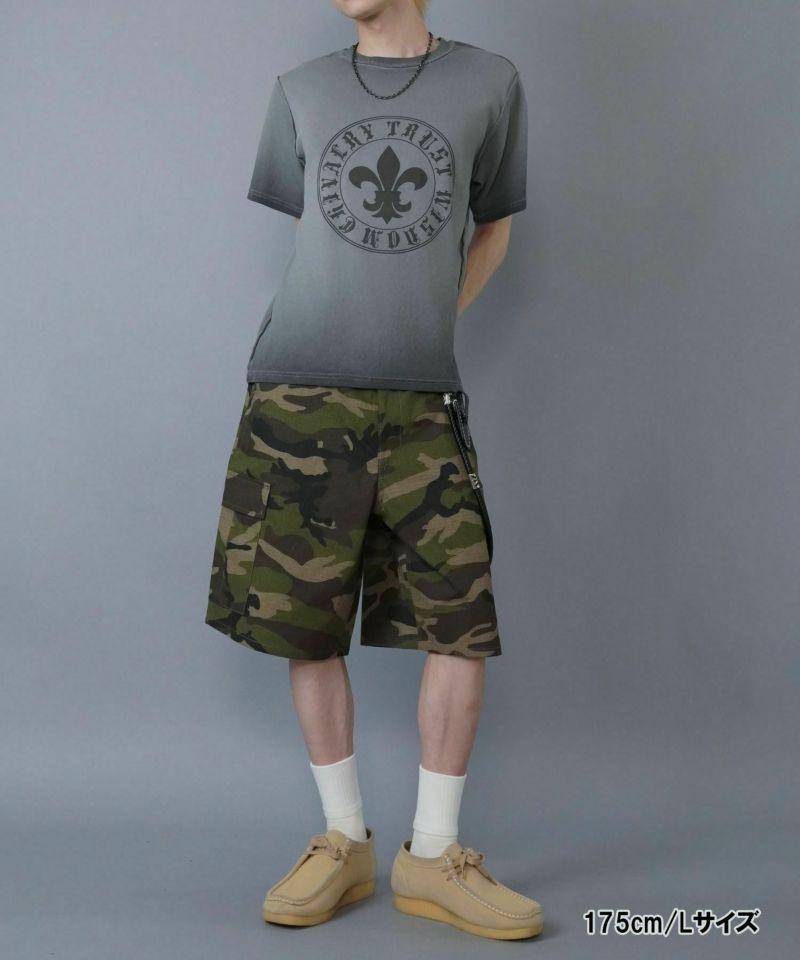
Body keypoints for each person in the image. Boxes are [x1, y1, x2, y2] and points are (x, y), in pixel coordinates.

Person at [204, 0, 543, 941]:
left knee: (460, 620)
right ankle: (342, 840)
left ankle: (434, 854)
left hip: (424, 399)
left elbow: (493, 228)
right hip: (299, 390)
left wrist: (426, 327)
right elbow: (317, 234)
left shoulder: (491, 84)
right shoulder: (301, 89)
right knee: (306, 622)